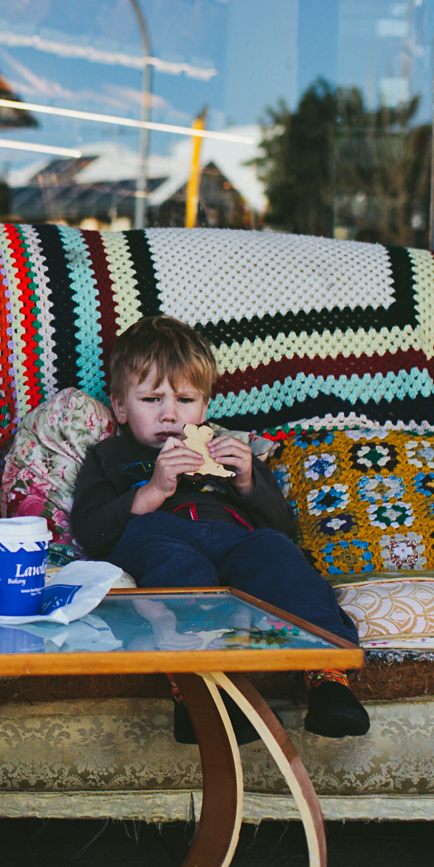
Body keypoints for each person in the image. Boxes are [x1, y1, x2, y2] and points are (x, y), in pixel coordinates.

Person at [69, 316, 370, 740]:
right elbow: (90, 529)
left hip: (235, 536)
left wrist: (249, 479)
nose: (170, 414)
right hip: (159, 533)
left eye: (186, 400)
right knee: (179, 573)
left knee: (280, 556)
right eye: (152, 399)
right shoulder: (110, 455)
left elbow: (283, 526)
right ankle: (202, 695)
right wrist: (151, 492)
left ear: (205, 407)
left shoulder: (225, 446)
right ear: (120, 406)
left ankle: (329, 680)